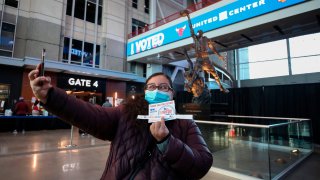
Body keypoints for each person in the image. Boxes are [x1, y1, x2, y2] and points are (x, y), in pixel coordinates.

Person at [29, 65, 213, 179]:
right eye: (152, 87)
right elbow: (90, 114)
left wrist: (167, 142)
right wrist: (51, 97)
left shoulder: (185, 124)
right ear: (145, 91)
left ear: (172, 93)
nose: (157, 90)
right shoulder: (126, 113)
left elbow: (201, 164)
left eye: (164, 87)